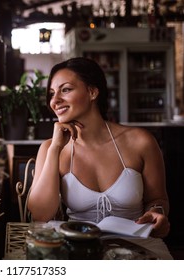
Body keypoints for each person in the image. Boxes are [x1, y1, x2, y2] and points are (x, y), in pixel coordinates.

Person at [27, 57, 172, 259]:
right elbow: (40, 215)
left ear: (93, 92)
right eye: (52, 93)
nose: (55, 100)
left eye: (65, 90)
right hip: (81, 252)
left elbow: (157, 199)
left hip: (139, 250)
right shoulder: (51, 148)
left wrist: (158, 213)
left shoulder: (140, 141)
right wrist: (55, 148)